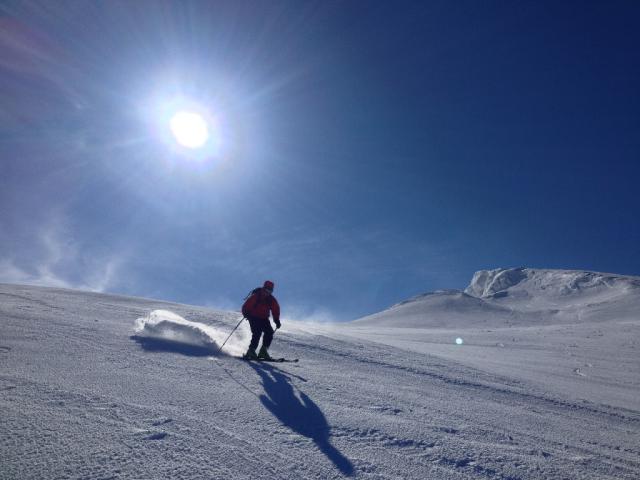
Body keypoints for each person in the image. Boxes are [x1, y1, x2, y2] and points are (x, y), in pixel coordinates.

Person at [242, 280, 281, 360]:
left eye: (270, 290)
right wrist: (246, 313)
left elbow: (275, 309)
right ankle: (251, 350)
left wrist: (276, 320)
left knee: (269, 332)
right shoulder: (256, 296)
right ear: (264, 288)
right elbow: (246, 305)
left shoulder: (271, 299)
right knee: (257, 332)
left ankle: (263, 351)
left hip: (264, 318)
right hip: (253, 316)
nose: (268, 292)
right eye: (267, 290)